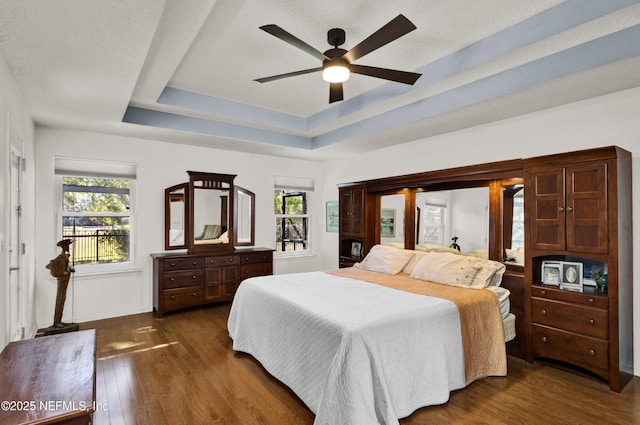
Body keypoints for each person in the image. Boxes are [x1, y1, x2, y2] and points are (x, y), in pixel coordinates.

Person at [45, 239, 75, 326]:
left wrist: (70, 269)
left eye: (68, 245)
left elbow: (65, 266)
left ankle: (59, 320)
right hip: (62, 280)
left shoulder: (65, 256)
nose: (68, 247)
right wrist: (63, 272)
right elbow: (49, 266)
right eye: (67, 245)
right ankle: (57, 322)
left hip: (65, 279)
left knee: (62, 298)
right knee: (60, 298)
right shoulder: (61, 256)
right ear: (63, 246)